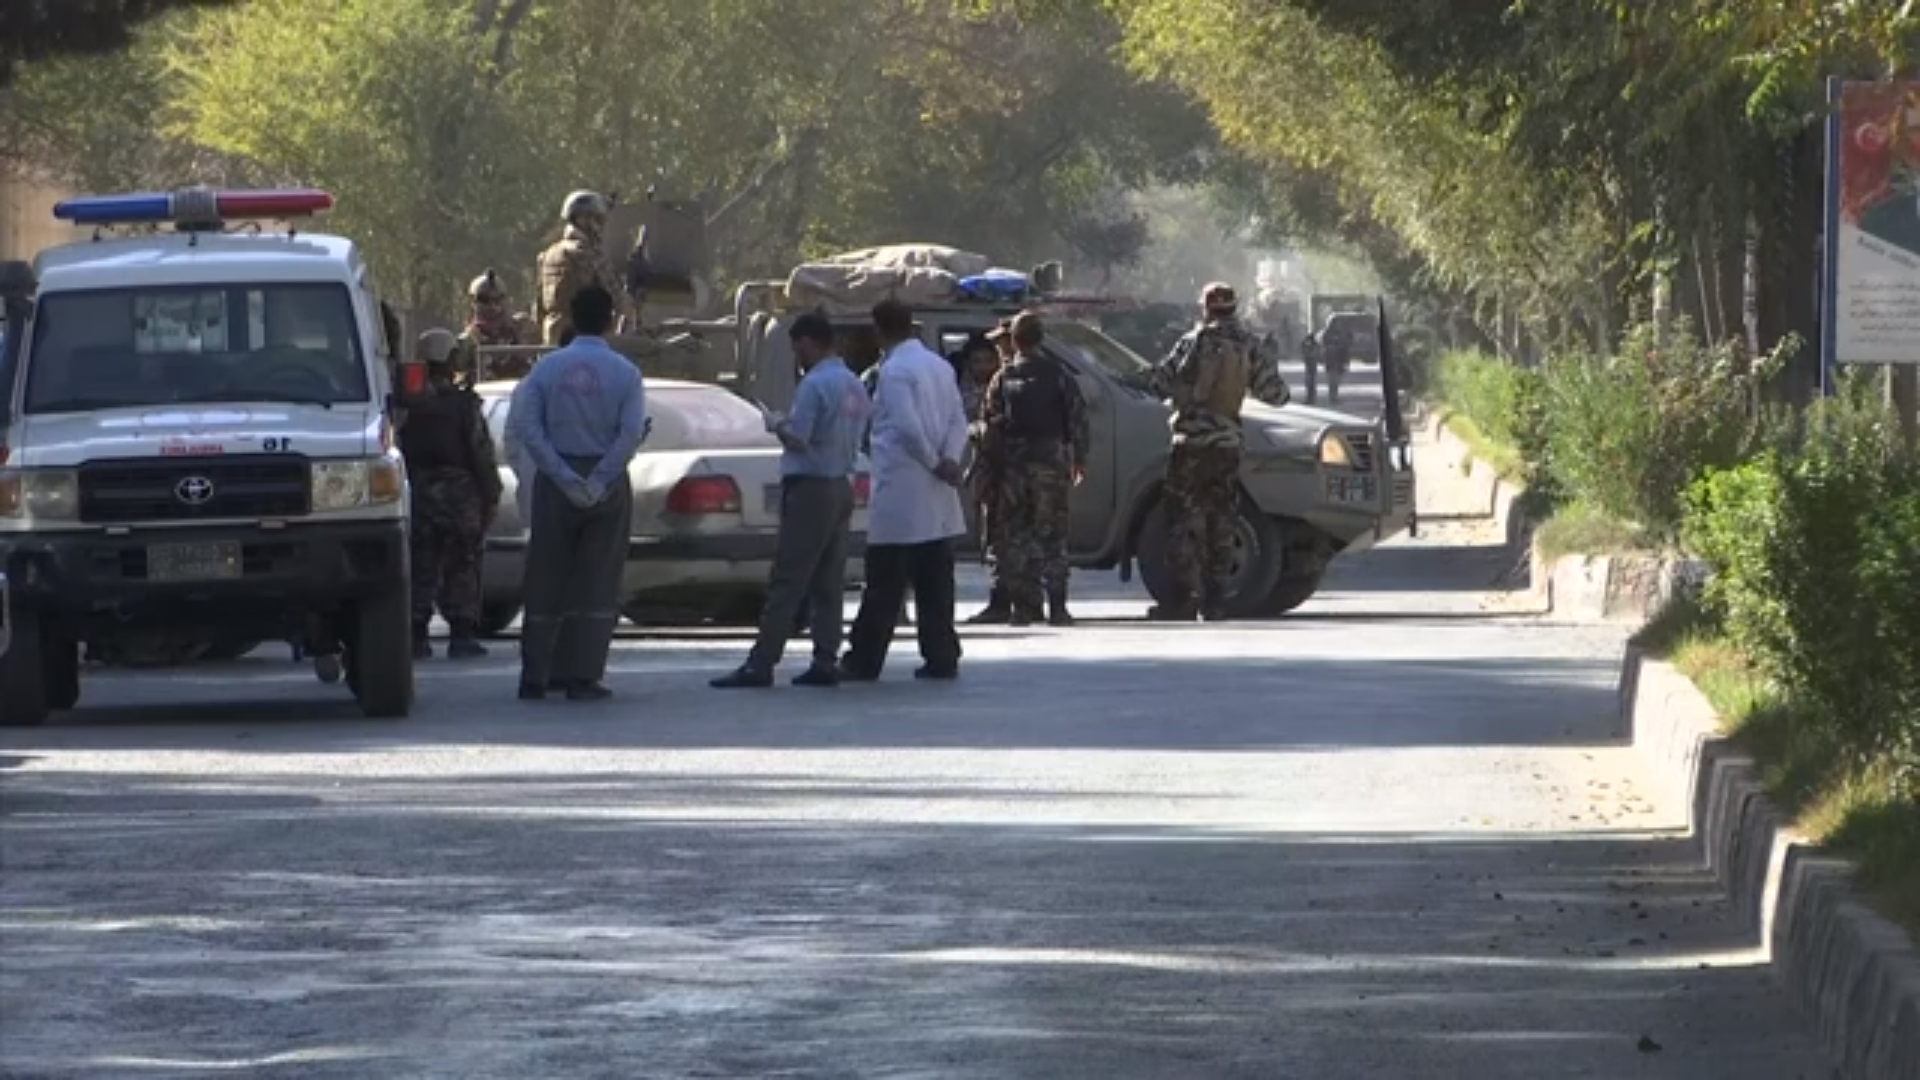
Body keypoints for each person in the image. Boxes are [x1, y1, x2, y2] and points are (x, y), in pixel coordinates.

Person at [711, 313, 872, 689]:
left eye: (798, 347)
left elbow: (801, 437)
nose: (797, 356)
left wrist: (777, 424)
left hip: (811, 485)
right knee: (829, 581)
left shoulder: (815, 384)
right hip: (842, 484)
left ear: (810, 342)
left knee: (788, 578)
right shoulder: (853, 383)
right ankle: (825, 659)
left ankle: (761, 662)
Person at [505, 285, 648, 700]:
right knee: (597, 579)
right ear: (608, 320)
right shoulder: (625, 372)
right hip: (606, 481)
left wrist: (563, 476)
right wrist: (599, 479)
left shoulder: (546, 370)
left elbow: (528, 428)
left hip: (555, 479)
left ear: (570, 317)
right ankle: (582, 676)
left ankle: (536, 675)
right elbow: (630, 432)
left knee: (546, 576)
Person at [839, 299, 969, 681]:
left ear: (878, 332)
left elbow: (908, 428)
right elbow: (957, 420)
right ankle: (941, 655)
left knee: (884, 583)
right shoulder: (939, 366)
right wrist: (949, 459)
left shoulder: (894, 372)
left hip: (902, 488)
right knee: (935, 581)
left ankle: (864, 659)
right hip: (936, 490)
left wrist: (932, 462)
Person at [1147, 282, 1292, 621]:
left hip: (1191, 444)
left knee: (1183, 519)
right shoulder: (1248, 344)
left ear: (1206, 307)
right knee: (1221, 518)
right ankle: (1215, 600)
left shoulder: (1192, 341)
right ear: (1234, 307)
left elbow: (1159, 385)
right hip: (1227, 445)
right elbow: (1276, 395)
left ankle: (1185, 598)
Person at [400, 328, 504, 660]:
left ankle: (417, 635)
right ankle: (461, 633)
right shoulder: (463, 404)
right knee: (463, 561)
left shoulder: (405, 404)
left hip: (417, 491)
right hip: (459, 494)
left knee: (421, 561)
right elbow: (480, 451)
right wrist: (491, 494)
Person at [978, 313, 1087, 627]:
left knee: (1017, 537)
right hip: (1051, 464)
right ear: (1041, 339)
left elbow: (990, 424)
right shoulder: (1059, 374)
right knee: (1053, 534)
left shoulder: (1003, 377)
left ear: (1014, 340)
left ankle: (1025, 609)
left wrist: (990, 469)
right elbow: (1077, 419)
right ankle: (1058, 607)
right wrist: (1079, 457)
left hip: (1015, 468)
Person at [534, 191, 633, 347]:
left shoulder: (548, 254)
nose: (601, 227)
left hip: (553, 336)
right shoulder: (587, 254)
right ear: (582, 220)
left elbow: (539, 306)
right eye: (598, 220)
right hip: (584, 338)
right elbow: (615, 297)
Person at [965, 321, 1015, 624]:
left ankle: (1004, 601)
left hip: (1000, 469)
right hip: (1009, 470)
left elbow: (988, 429)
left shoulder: (1003, 381)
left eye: (997, 348)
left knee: (1001, 537)